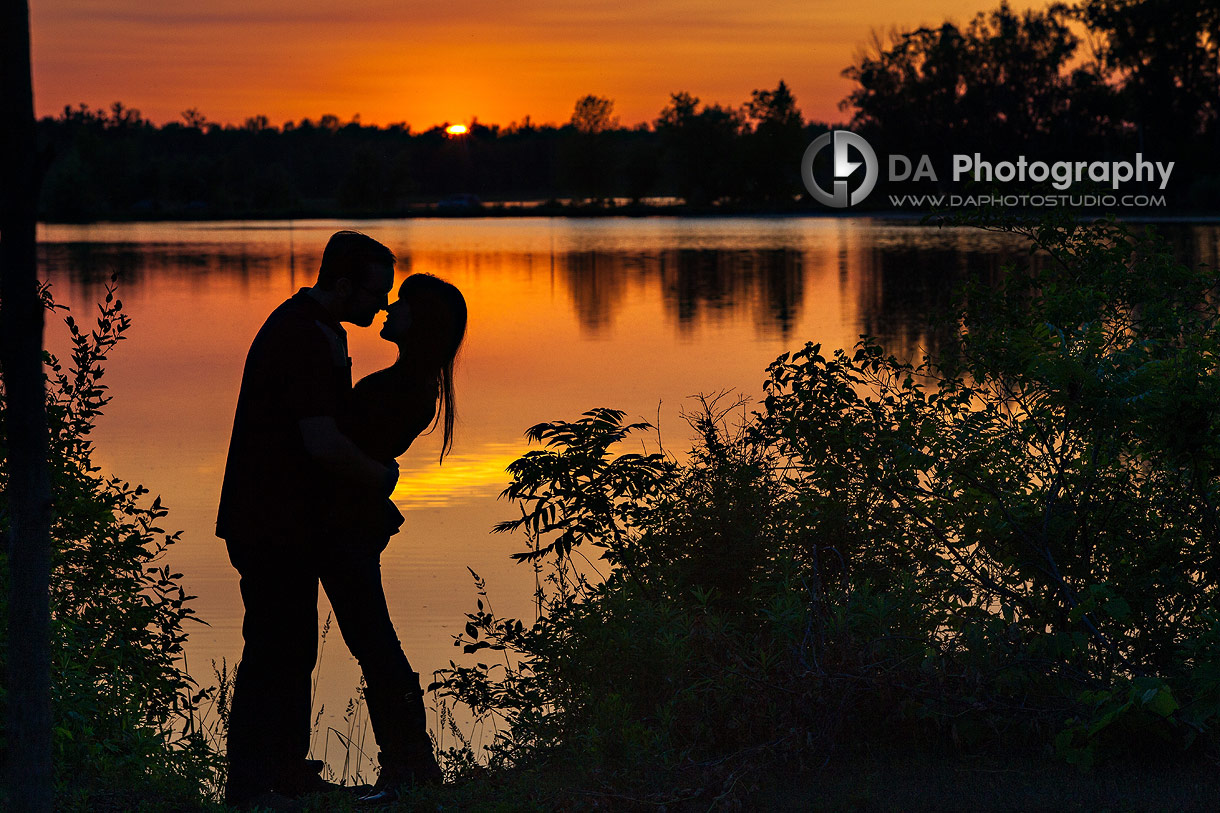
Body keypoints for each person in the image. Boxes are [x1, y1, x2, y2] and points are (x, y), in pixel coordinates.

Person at [216, 230, 399, 807]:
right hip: (269, 523)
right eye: (376, 292)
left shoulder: (313, 328)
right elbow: (321, 441)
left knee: (288, 648)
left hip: (279, 521)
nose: (383, 305)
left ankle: (281, 774)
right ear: (343, 284)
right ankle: (253, 783)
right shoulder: (304, 337)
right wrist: (381, 475)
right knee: (276, 648)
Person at [336, 273, 468, 805]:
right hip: (353, 522)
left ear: (423, 321)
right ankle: (410, 767)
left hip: (349, 526)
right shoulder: (410, 385)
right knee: (374, 641)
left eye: (403, 304)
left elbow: (349, 450)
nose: (390, 308)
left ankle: (407, 768)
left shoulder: (403, 388)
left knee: (374, 643)